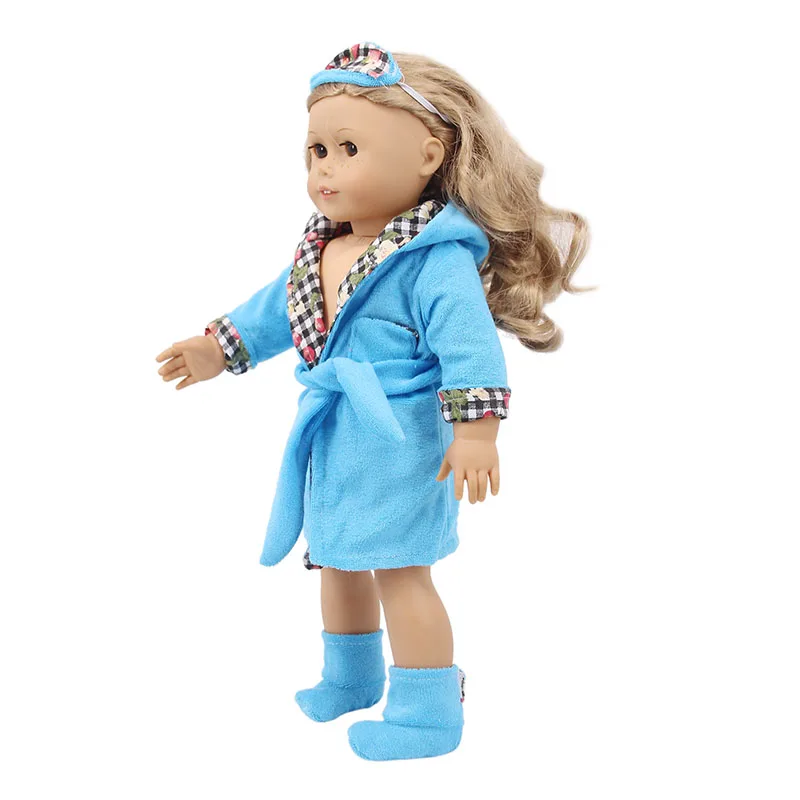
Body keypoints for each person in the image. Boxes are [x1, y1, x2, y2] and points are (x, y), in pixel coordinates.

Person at [155, 42, 590, 761]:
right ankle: (350, 678)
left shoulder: (436, 259)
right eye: (316, 151)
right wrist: (216, 349)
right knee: (336, 562)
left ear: (428, 155)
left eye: (348, 149)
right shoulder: (319, 250)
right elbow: (270, 313)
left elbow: (470, 349)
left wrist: (476, 432)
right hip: (334, 438)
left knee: (401, 571)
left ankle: (428, 714)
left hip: (401, 444)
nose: (324, 169)